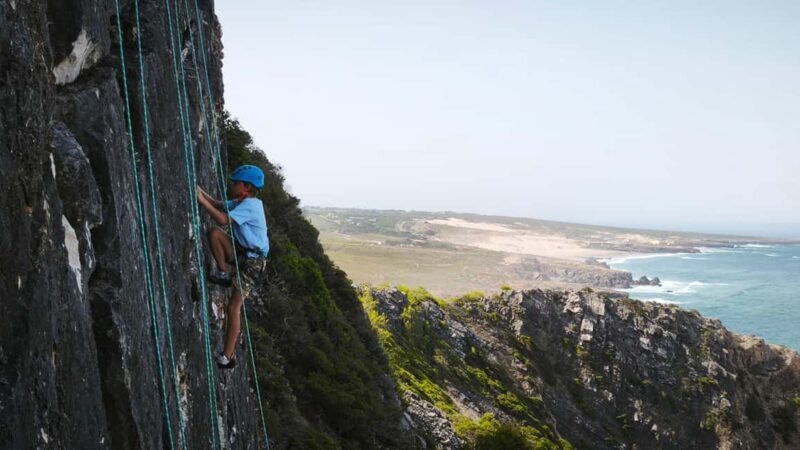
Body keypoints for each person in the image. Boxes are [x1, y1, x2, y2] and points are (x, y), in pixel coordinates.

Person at [196, 165, 269, 369]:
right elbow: (218, 204)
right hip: (243, 252)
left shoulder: (251, 206)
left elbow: (222, 218)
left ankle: (227, 357)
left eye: (235, 183)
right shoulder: (241, 201)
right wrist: (199, 190)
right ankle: (223, 272)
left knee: (233, 307)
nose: (232, 185)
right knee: (215, 234)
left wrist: (201, 200)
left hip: (254, 261)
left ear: (246, 187)